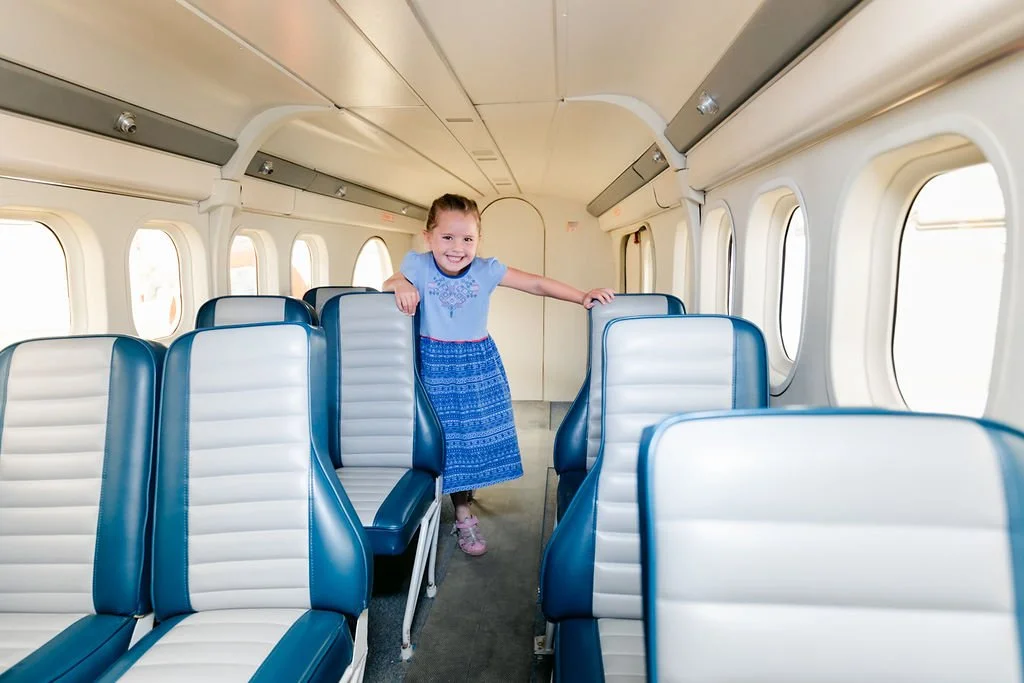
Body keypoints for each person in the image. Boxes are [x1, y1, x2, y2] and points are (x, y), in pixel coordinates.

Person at [382, 193, 614, 556]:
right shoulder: (417, 265)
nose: (458, 248)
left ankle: (463, 506)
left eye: (468, 239)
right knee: (443, 439)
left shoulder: (487, 269)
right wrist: (399, 284)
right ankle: (451, 508)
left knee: (471, 437)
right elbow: (391, 280)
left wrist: (582, 296)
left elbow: (536, 283)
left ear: (478, 240)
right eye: (447, 238)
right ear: (428, 237)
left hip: (476, 364)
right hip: (432, 365)